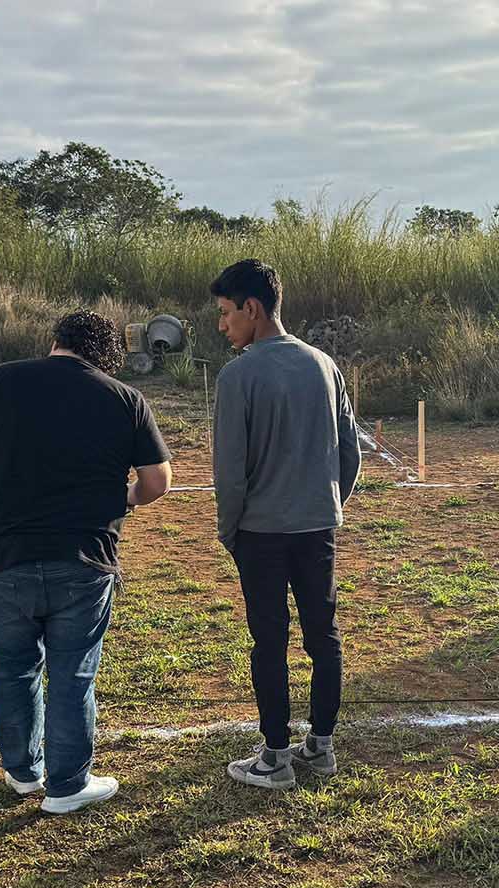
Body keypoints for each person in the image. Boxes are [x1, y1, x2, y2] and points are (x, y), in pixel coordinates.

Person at [0, 311, 171, 815]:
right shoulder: (124, 398)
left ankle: (23, 772)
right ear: (106, 355)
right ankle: (68, 783)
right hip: (85, 558)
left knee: (12, 670)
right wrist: (125, 497)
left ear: (55, 342)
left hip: (6, 557)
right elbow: (158, 481)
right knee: (73, 674)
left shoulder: (1, 380)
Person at [211, 259, 361, 790]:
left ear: (252, 308)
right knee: (324, 634)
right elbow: (350, 452)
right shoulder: (324, 364)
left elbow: (230, 472)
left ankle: (274, 757)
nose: (222, 325)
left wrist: (230, 531)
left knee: (268, 640)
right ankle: (321, 747)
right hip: (317, 526)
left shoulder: (238, 375)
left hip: (260, 531)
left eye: (226, 313)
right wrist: (327, 503)